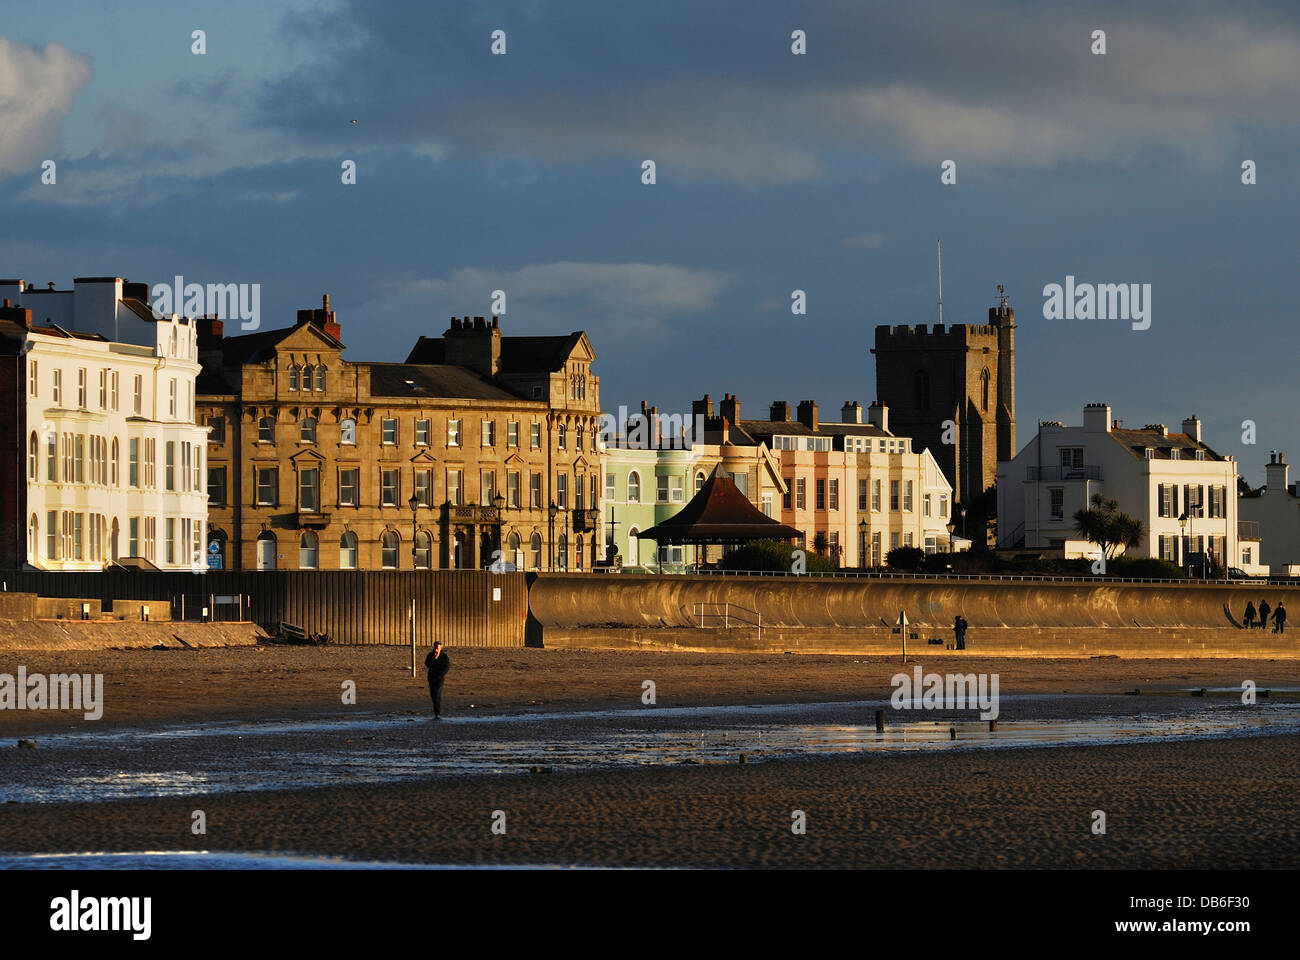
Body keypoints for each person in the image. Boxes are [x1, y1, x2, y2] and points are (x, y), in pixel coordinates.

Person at [424, 640, 450, 719]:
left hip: (439, 679)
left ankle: (437, 713)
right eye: (435, 648)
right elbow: (427, 664)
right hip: (431, 678)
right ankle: (437, 711)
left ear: (440, 648)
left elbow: (446, 667)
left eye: (437, 648)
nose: (436, 649)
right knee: (433, 695)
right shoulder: (430, 655)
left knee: (437, 695)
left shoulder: (444, 657)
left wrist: (441, 674)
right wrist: (434, 658)